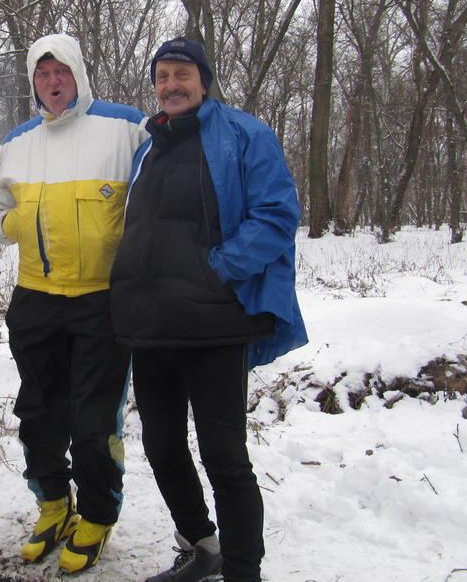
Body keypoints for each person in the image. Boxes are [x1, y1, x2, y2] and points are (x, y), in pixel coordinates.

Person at [109, 37, 308, 582]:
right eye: (162, 76)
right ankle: (204, 547)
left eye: (182, 74)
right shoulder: (148, 146)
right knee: (161, 447)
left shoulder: (244, 134)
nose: (171, 85)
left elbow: (277, 214)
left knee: (224, 456)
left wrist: (216, 269)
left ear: (203, 80)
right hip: (152, 324)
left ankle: (243, 572)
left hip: (215, 323)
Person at [0, 33, 148, 574]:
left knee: (94, 420)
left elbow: (161, 191)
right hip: (35, 297)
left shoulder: (126, 127)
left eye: (61, 72)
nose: (52, 82)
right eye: (42, 73)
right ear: (32, 81)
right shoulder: (17, 143)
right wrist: (18, 223)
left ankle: (97, 515)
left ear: (78, 73)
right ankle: (53, 506)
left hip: (102, 299)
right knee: (37, 413)